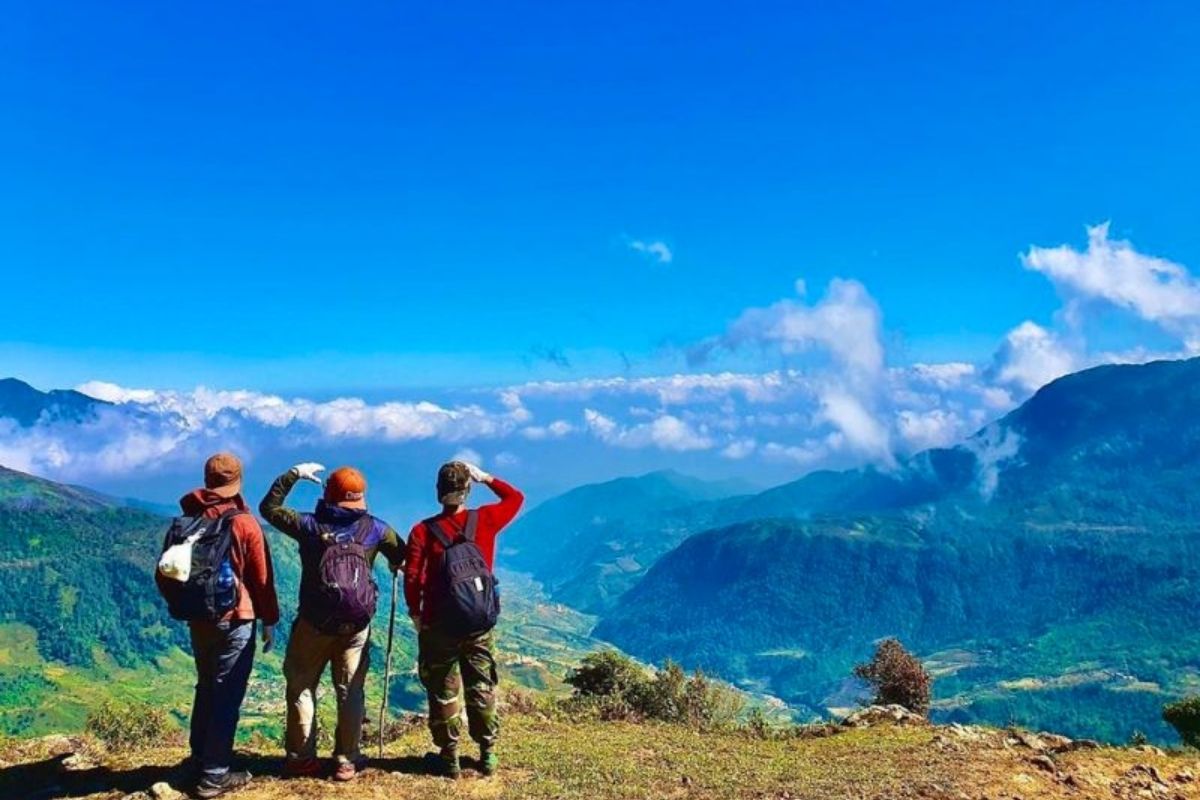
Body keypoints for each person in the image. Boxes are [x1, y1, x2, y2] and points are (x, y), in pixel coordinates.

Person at [259, 462, 405, 782]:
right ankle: (346, 761)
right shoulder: (376, 529)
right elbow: (403, 555)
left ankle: (301, 759)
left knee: (301, 687)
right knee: (350, 691)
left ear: (329, 494)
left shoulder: (308, 525)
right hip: (356, 627)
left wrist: (293, 475)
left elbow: (269, 508)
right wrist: (393, 563)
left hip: (314, 623)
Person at [156, 453, 280, 799]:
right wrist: (270, 619)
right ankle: (214, 775)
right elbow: (261, 579)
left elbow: (164, 572)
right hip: (235, 619)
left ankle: (199, 759)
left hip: (199, 620)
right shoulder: (243, 523)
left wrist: (183, 604)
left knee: (206, 687)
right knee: (227, 695)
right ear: (237, 482)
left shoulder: (187, 521)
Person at [404, 460, 524, 778]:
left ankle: (450, 757)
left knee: (444, 690)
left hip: (438, 625)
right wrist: (486, 477)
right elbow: (515, 498)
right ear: (467, 489)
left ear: (438, 492)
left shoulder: (421, 531)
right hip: (478, 623)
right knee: (481, 686)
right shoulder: (484, 520)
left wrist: (416, 614)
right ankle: (487, 754)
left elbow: (413, 578)